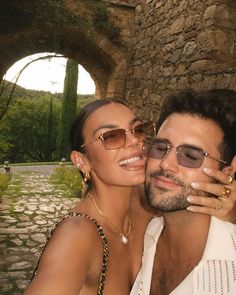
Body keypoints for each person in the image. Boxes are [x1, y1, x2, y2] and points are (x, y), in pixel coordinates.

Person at [24, 97, 236, 294]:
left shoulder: (151, 204)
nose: (134, 141)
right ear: (81, 161)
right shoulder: (76, 235)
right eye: (111, 136)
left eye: (138, 130)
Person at [131, 89, 236, 295]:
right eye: (161, 147)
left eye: (190, 155)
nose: (166, 164)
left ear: (225, 173)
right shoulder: (146, 237)